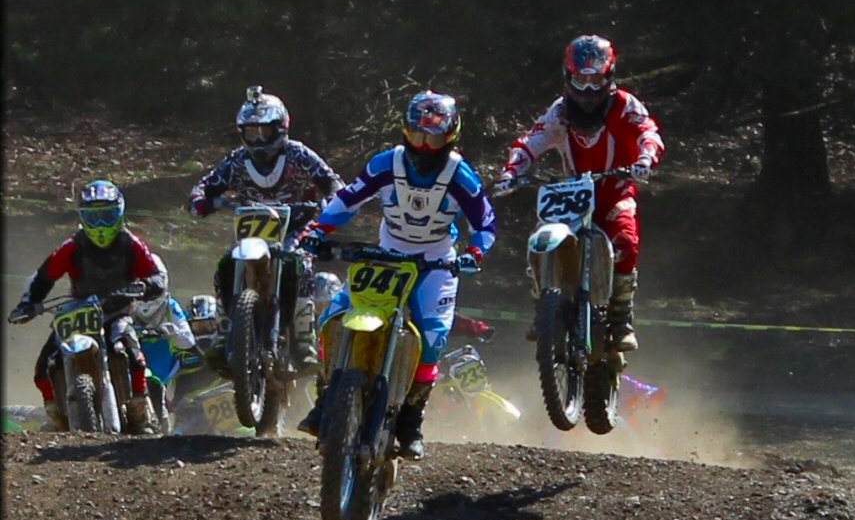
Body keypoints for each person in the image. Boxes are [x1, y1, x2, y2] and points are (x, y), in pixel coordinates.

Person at [297, 90, 498, 460]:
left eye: (433, 138)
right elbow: (348, 200)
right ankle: (326, 400)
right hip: (388, 254)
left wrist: (475, 252)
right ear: (406, 132)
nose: (424, 146)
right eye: (418, 136)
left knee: (434, 337)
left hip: (436, 261)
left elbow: (484, 220)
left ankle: (411, 420)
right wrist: (317, 230)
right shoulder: (385, 164)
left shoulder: (460, 174)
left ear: (450, 136)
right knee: (332, 317)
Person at [491, 34, 664, 351]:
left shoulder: (625, 105)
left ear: (608, 77)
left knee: (625, 239)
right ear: (568, 77)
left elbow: (648, 132)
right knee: (539, 241)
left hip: (615, 189)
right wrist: (512, 172)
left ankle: (620, 317)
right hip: (571, 192)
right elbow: (531, 141)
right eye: (579, 80)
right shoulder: (560, 112)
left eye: (594, 80)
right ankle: (542, 309)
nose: (587, 90)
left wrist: (644, 159)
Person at [187, 85, 343, 376]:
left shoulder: (298, 154)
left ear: (280, 129)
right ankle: (224, 335)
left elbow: (331, 180)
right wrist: (200, 199)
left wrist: (333, 199)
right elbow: (207, 184)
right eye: (250, 132)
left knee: (300, 263)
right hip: (251, 231)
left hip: (295, 225)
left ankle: (304, 338)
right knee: (225, 264)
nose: (257, 139)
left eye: (264, 132)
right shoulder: (237, 161)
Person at [7, 180, 167, 434]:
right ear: (83, 219)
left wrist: (147, 286)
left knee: (133, 355)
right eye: (94, 217)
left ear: (120, 214)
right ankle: (56, 414)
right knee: (44, 365)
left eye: (107, 216)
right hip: (78, 312)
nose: (101, 224)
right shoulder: (72, 247)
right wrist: (29, 304)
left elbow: (156, 275)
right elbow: (45, 277)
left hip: (117, 311)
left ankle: (139, 411)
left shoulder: (131, 244)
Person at [131, 252, 203, 432]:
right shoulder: (127, 306)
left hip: (165, 368)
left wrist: (172, 331)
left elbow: (188, 341)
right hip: (133, 363)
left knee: (156, 384)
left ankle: (162, 423)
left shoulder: (171, 306)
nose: (147, 294)